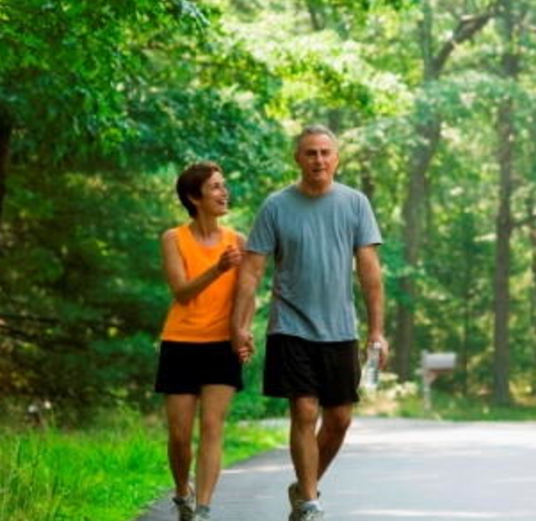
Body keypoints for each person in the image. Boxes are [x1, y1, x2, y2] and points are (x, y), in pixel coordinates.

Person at [232, 124, 387, 521]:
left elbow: (370, 273)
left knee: (340, 419)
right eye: (310, 153)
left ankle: (304, 488)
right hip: (291, 325)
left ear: (336, 158)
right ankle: (312, 505)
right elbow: (251, 271)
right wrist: (240, 324)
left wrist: (377, 332)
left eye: (325, 152)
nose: (318, 159)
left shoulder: (355, 204)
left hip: (339, 329)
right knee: (303, 410)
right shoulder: (276, 206)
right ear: (297, 159)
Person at [155, 161, 252, 521]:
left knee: (212, 427)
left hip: (220, 346)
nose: (224, 192)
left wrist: (241, 328)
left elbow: (247, 292)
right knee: (180, 434)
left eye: (223, 186)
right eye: (215, 187)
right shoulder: (173, 239)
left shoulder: (238, 242)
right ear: (194, 198)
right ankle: (183, 492)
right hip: (180, 342)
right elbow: (181, 292)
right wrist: (217, 269)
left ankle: (204, 509)